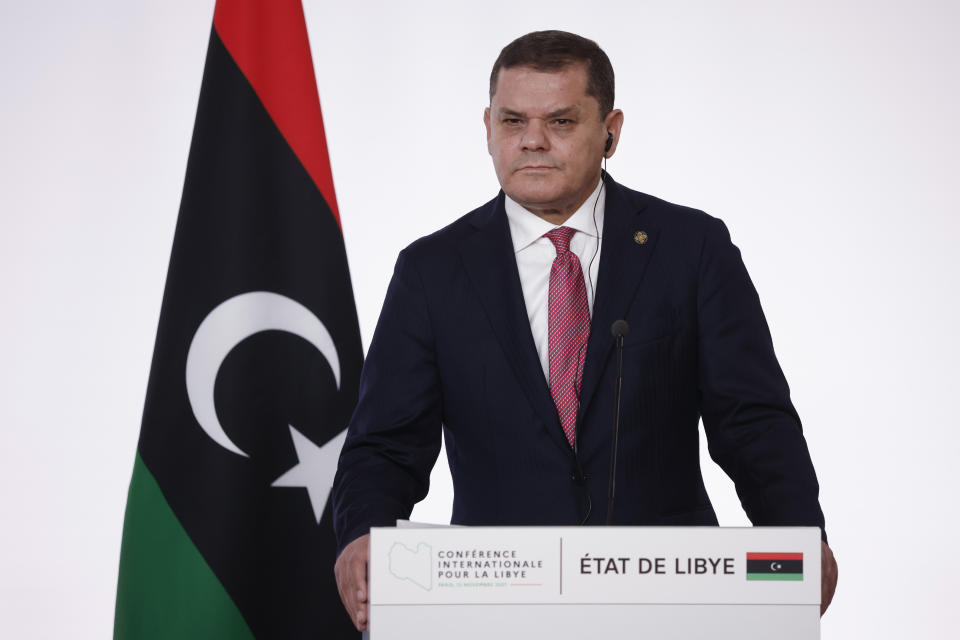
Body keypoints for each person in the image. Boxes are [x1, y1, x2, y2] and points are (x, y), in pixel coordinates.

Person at [332, 30, 838, 631]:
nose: (533, 141)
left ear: (611, 131)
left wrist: (800, 536)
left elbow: (752, 421)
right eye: (513, 120)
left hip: (668, 600)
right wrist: (362, 535)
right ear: (487, 127)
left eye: (562, 121)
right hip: (493, 602)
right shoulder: (432, 270)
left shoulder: (691, 249)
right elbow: (387, 443)